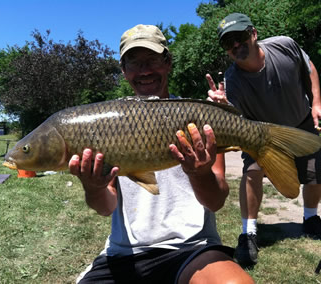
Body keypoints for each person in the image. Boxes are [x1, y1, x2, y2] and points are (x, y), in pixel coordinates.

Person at [69, 24, 254, 284]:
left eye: (153, 59)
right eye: (134, 63)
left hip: (193, 248)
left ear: (168, 62)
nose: (144, 70)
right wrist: (93, 187)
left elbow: (215, 202)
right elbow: (105, 207)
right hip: (125, 253)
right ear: (123, 71)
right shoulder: (104, 125)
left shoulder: (200, 121)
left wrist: (199, 173)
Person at [207, 13, 321, 267]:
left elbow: (309, 68)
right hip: (262, 135)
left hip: (301, 122)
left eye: (240, 37)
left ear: (253, 34)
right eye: (228, 43)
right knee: (252, 170)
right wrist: (224, 106)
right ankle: (249, 233)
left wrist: (317, 104)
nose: (235, 46)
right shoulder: (232, 82)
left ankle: (310, 219)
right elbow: (237, 118)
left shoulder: (283, 45)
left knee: (316, 172)